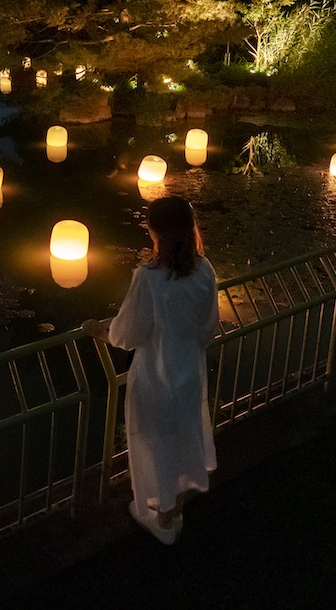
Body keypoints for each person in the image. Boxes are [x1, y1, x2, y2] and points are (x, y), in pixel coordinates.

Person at [83, 196, 219, 545]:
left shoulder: (149, 278)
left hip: (155, 376)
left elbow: (129, 333)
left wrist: (103, 332)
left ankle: (163, 519)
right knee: (181, 436)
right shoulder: (205, 270)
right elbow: (208, 328)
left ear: (152, 230)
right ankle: (173, 509)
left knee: (155, 442)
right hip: (189, 370)